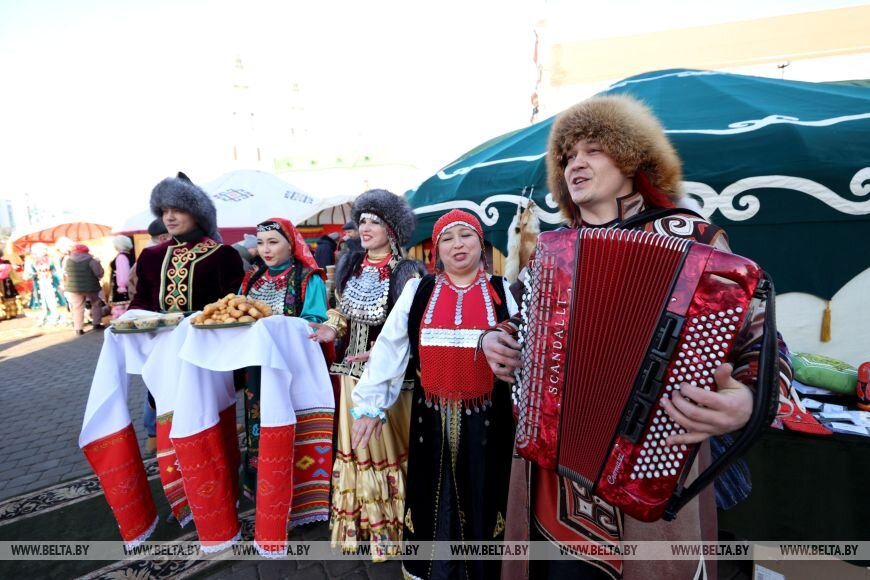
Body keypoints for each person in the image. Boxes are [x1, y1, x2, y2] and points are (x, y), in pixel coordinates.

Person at [480, 94, 799, 580]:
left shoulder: (694, 240)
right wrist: (496, 339)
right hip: (549, 474)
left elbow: (763, 339)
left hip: (652, 469)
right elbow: (522, 320)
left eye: (593, 150)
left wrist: (751, 401)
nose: (575, 164)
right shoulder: (551, 252)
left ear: (631, 158)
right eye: (567, 157)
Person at [351, 209, 519, 578]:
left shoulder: (503, 291)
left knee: (486, 495)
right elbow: (390, 350)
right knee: (433, 499)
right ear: (436, 249)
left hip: (491, 422)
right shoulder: (419, 290)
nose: (458, 245)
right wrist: (370, 407)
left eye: (466, 236)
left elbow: (525, 355)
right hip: (431, 419)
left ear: (481, 243)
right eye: (447, 238)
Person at [308, 189, 425, 557]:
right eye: (362, 221)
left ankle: (394, 533)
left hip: (391, 381)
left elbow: (412, 324)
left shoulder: (408, 271)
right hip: (350, 375)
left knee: (386, 451)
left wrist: (383, 351)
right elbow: (342, 312)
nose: (366, 227)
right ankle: (361, 527)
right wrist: (332, 328)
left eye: (374, 220)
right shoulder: (351, 265)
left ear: (392, 228)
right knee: (356, 452)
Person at [237, 217, 331, 526]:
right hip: (258, 370)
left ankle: (305, 499)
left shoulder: (308, 278)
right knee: (261, 425)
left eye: (273, 242)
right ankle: (270, 493)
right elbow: (238, 315)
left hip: (296, 369)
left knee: (296, 424)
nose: (265, 249)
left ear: (291, 244)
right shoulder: (252, 279)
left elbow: (315, 320)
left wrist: (275, 327)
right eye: (261, 242)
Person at [129, 172, 245, 313]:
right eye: (165, 211)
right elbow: (141, 300)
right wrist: (130, 319)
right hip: (159, 334)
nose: (169, 218)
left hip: (205, 333)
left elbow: (232, 306)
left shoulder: (223, 255)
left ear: (197, 215)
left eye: (178, 210)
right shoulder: (151, 255)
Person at [64, 244, 105, 335]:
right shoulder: (91, 260)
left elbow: (66, 272)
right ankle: (96, 323)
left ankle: (79, 329)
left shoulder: (68, 260)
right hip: (91, 287)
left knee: (77, 307)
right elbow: (99, 273)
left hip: (73, 288)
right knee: (95, 303)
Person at [24, 242, 67, 326]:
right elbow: (28, 273)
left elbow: (58, 269)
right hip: (39, 283)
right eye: (42, 249)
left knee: (53, 298)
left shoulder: (52, 258)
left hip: (51, 282)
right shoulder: (31, 260)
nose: (44, 251)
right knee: (42, 300)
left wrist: (60, 279)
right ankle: (45, 316)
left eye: (45, 249)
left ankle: (56, 315)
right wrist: (31, 274)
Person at [109, 236, 135, 319]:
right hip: (129, 287)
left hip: (123, 290)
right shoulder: (129, 255)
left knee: (122, 312)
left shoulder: (121, 257)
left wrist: (122, 286)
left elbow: (123, 273)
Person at [0, 248, 22, 321]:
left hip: (6, 282)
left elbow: (10, 272)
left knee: (8, 297)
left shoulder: (6, 262)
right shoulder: (6, 262)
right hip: (6, 281)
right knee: (7, 298)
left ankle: (8, 313)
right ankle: (8, 313)